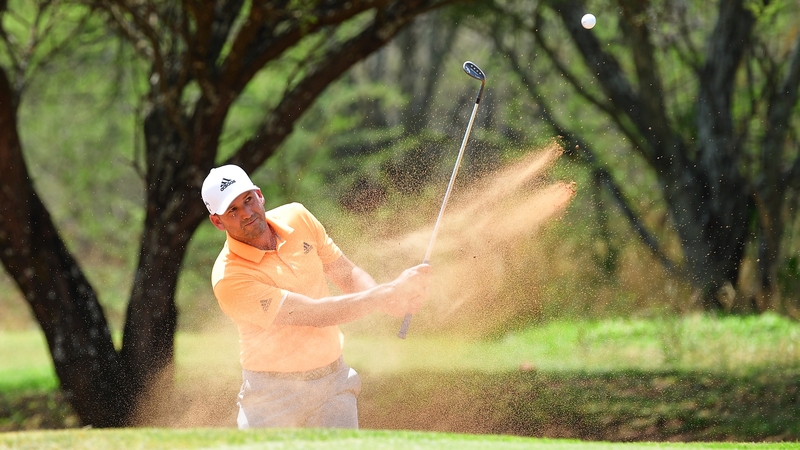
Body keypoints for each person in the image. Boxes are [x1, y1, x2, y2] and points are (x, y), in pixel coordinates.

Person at [201, 164, 430, 429]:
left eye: (248, 200)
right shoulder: (229, 276)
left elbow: (346, 274)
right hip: (272, 398)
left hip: (333, 383)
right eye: (233, 210)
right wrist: (384, 294)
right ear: (217, 221)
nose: (247, 213)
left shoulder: (297, 217)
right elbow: (315, 314)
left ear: (259, 195)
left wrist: (389, 300)